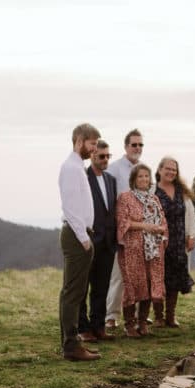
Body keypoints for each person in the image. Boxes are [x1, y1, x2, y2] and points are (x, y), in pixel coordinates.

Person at [58, 123, 101, 361]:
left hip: (80, 234)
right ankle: (72, 346)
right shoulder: (71, 168)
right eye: (92, 144)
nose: (94, 149)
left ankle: (70, 344)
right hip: (76, 236)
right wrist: (84, 238)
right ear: (79, 141)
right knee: (73, 292)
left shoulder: (77, 167)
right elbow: (70, 207)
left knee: (74, 291)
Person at [115, 164, 167, 337]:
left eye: (146, 176)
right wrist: (145, 226)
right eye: (140, 176)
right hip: (132, 249)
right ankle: (129, 324)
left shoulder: (154, 199)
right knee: (133, 285)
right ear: (133, 180)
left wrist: (161, 231)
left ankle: (143, 322)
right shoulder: (125, 197)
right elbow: (123, 222)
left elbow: (163, 222)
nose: (144, 179)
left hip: (153, 251)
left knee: (149, 283)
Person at [78, 140, 118, 343]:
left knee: (101, 288)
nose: (105, 160)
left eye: (108, 156)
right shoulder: (82, 177)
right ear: (92, 156)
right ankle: (83, 328)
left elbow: (111, 211)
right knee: (83, 287)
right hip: (89, 240)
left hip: (108, 243)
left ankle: (98, 326)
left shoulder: (111, 180)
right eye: (101, 156)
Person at [104, 128, 144, 334]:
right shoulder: (114, 169)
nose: (137, 148)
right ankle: (111, 316)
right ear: (126, 146)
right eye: (134, 144)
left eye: (140, 145)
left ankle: (136, 315)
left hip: (141, 231)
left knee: (137, 275)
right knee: (118, 275)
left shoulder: (144, 169)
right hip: (121, 231)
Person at [153, 156, 195, 328]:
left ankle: (170, 316)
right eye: (168, 168)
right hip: (158, 242)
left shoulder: (181, 191)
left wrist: (191, 235)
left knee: (175, 280)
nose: (171, 172)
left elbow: (191, 214)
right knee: (159, 279)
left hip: (179, 241)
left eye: (174, 169)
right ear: (159, 170)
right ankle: (158, 316)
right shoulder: (153, 191)